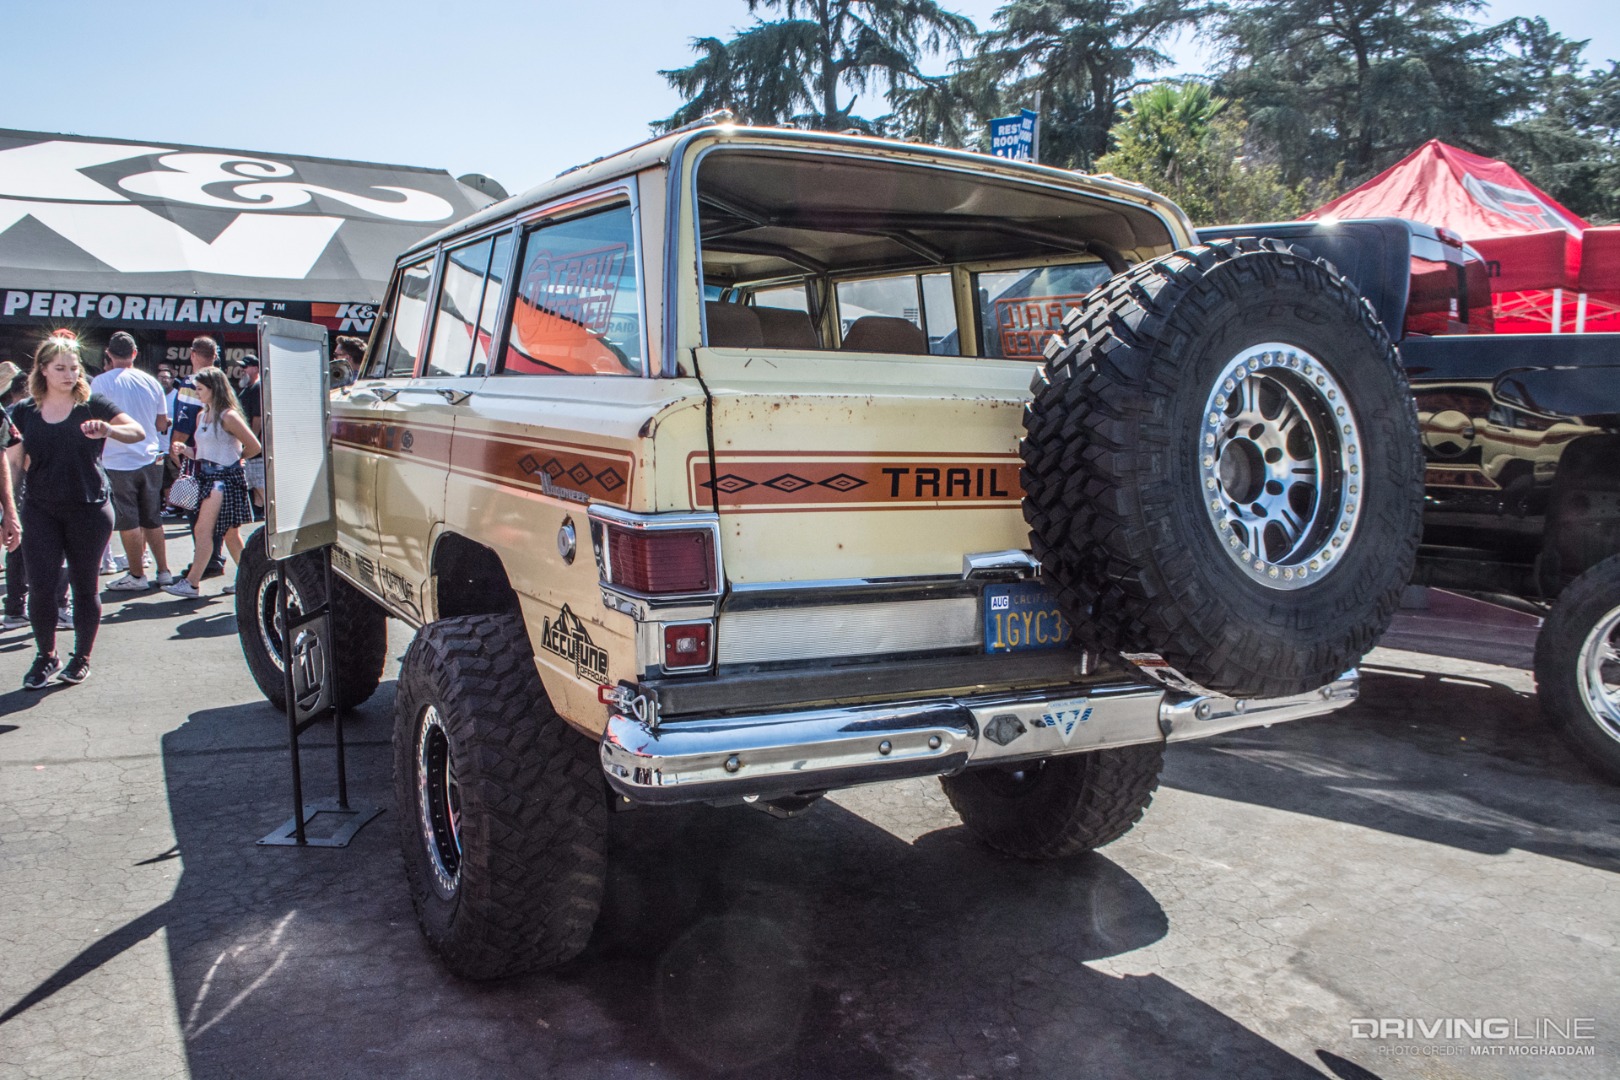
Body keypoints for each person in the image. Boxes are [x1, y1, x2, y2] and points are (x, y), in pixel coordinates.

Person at [6, 333, 146, 689]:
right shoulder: (24, 412)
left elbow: (138, 431)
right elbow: (13, 466)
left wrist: (109, 429)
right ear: (43, 370)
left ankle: (81, 657)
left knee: (85, 588)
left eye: (74, 367)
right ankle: (46, 655)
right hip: (40, 509)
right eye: (60, 368)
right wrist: (9, 512)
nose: (69, 374)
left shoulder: (92, 404)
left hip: (89, 507)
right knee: (41, 587)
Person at [164, 367, 260, 599]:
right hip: (209, 477)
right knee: (229, 535)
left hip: (223, 480)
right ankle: (251, 581)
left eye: (200, 389)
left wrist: (234, 462)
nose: (197, 393)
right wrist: (184, 449)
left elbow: (254, 446)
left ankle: (192, 582)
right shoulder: (202, 415)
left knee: (204, 530)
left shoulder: (228, 416)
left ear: (214, 389)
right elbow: (203, 452)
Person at [91, 332, 173, 591]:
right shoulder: (152, 381)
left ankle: (137, 576)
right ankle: (164, 571)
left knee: (129, 520)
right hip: (150, 456)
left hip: (117, 458)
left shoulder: (100, 383)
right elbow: (162, 423)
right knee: (153, 518)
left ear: (109, 354)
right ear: (135, 353)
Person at [168, 336, 227, 579]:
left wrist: (176, 451)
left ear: (193, 354)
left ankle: (204, 564)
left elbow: (183, 425)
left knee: (198, 515)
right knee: (215, 517)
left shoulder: (192, 383)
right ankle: (214, 558)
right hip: (219, 456)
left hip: (196, 455)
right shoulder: (221, 381)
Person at [236, 354, 266, 517]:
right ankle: (259, 511)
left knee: (259, 482)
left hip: (256, 448)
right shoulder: (247, 388)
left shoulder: (258, 387)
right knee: (253, 483)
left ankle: (270, 511)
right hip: (248, 445)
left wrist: (251, 441)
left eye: (245, 367)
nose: (242, 370)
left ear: (255, 368)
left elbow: (258, 419)